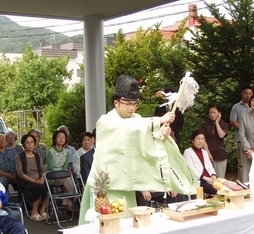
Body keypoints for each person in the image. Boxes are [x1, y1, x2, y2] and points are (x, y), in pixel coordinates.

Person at [79, 75, 197, 224]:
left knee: (126, 224)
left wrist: (161, 136)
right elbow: (127, 129)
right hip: (105, 188)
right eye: (127, 103)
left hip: (126, 185)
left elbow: (144, 145)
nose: (131, 107)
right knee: (105, 225)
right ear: (116, 102)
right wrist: (158, 120)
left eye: (134, 104)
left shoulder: (137, 119)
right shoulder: (106, 121)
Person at [15, 134, 48, 221]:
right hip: (26, 181)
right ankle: (34, 211)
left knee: (48, 186)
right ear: (23, 144)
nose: (30, 144)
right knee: (40, 187)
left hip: (38, 180)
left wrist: (42, 178)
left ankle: (43, 210)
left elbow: (43, 169)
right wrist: (34, 180)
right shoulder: (19, 157)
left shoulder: (37, 156)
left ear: (34, 144)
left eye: (32, 142)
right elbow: (20, 173)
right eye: (27, 142)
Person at [46, 130, 76, 213]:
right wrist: (59, 174)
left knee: (67, 179)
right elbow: (51, 167)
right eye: (59, 137)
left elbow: (65, 167)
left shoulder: (66, 153)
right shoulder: (50, 152)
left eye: (63, 137)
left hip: (63, 176)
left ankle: (69, 204)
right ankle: (72, 197)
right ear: (55, 139)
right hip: (53, 177)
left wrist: (62, 174)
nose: (61, 139)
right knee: (68, 179)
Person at [183, 129, 218, 197]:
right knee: (216, 190)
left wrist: (213, 175)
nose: (200, 141)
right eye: (198, 139)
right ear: (192, 140)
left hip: (209, 179)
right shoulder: (188, 152)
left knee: (224, 186)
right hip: (198, 180)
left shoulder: (204, 152)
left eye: (202, 139)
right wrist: (205, 178)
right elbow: (190, 170)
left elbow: (210, 166)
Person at [230, 86, 253, 182]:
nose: (248, 95)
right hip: (241, 138)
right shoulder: (236, 107)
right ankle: (242, 183)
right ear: (242, 94)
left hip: (253, 138)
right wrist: (244, 129)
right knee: (242, 163)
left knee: (253, 161)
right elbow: (233, 121)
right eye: (246, 93)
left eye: (250, 93)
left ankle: (253, 182)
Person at [200, 104, 229, 178]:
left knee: (220, 179)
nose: (212, 115)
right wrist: (208, 154)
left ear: (219, 113)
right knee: (209, 178)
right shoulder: (205, 125)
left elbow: (221, 135)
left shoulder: (224, 124)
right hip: (208, 153)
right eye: (210, 113)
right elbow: (203, 140)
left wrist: (217, 122)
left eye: (214, 112)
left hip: (220, 154)